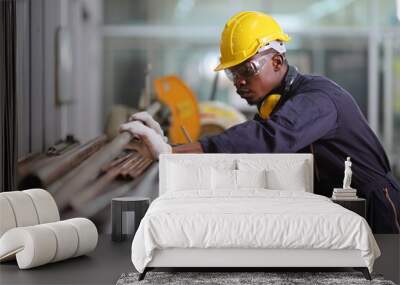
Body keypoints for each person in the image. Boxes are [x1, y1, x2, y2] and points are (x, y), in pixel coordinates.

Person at [120, 11, 400, 234]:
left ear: (277, 62)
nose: (239, 81)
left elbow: (267, 138)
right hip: (342, 203)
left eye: (248, 70)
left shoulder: (317, 99)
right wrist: (174, 146)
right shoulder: (279, 101)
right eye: (233, 73)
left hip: (378, 204)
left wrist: (170, 154)